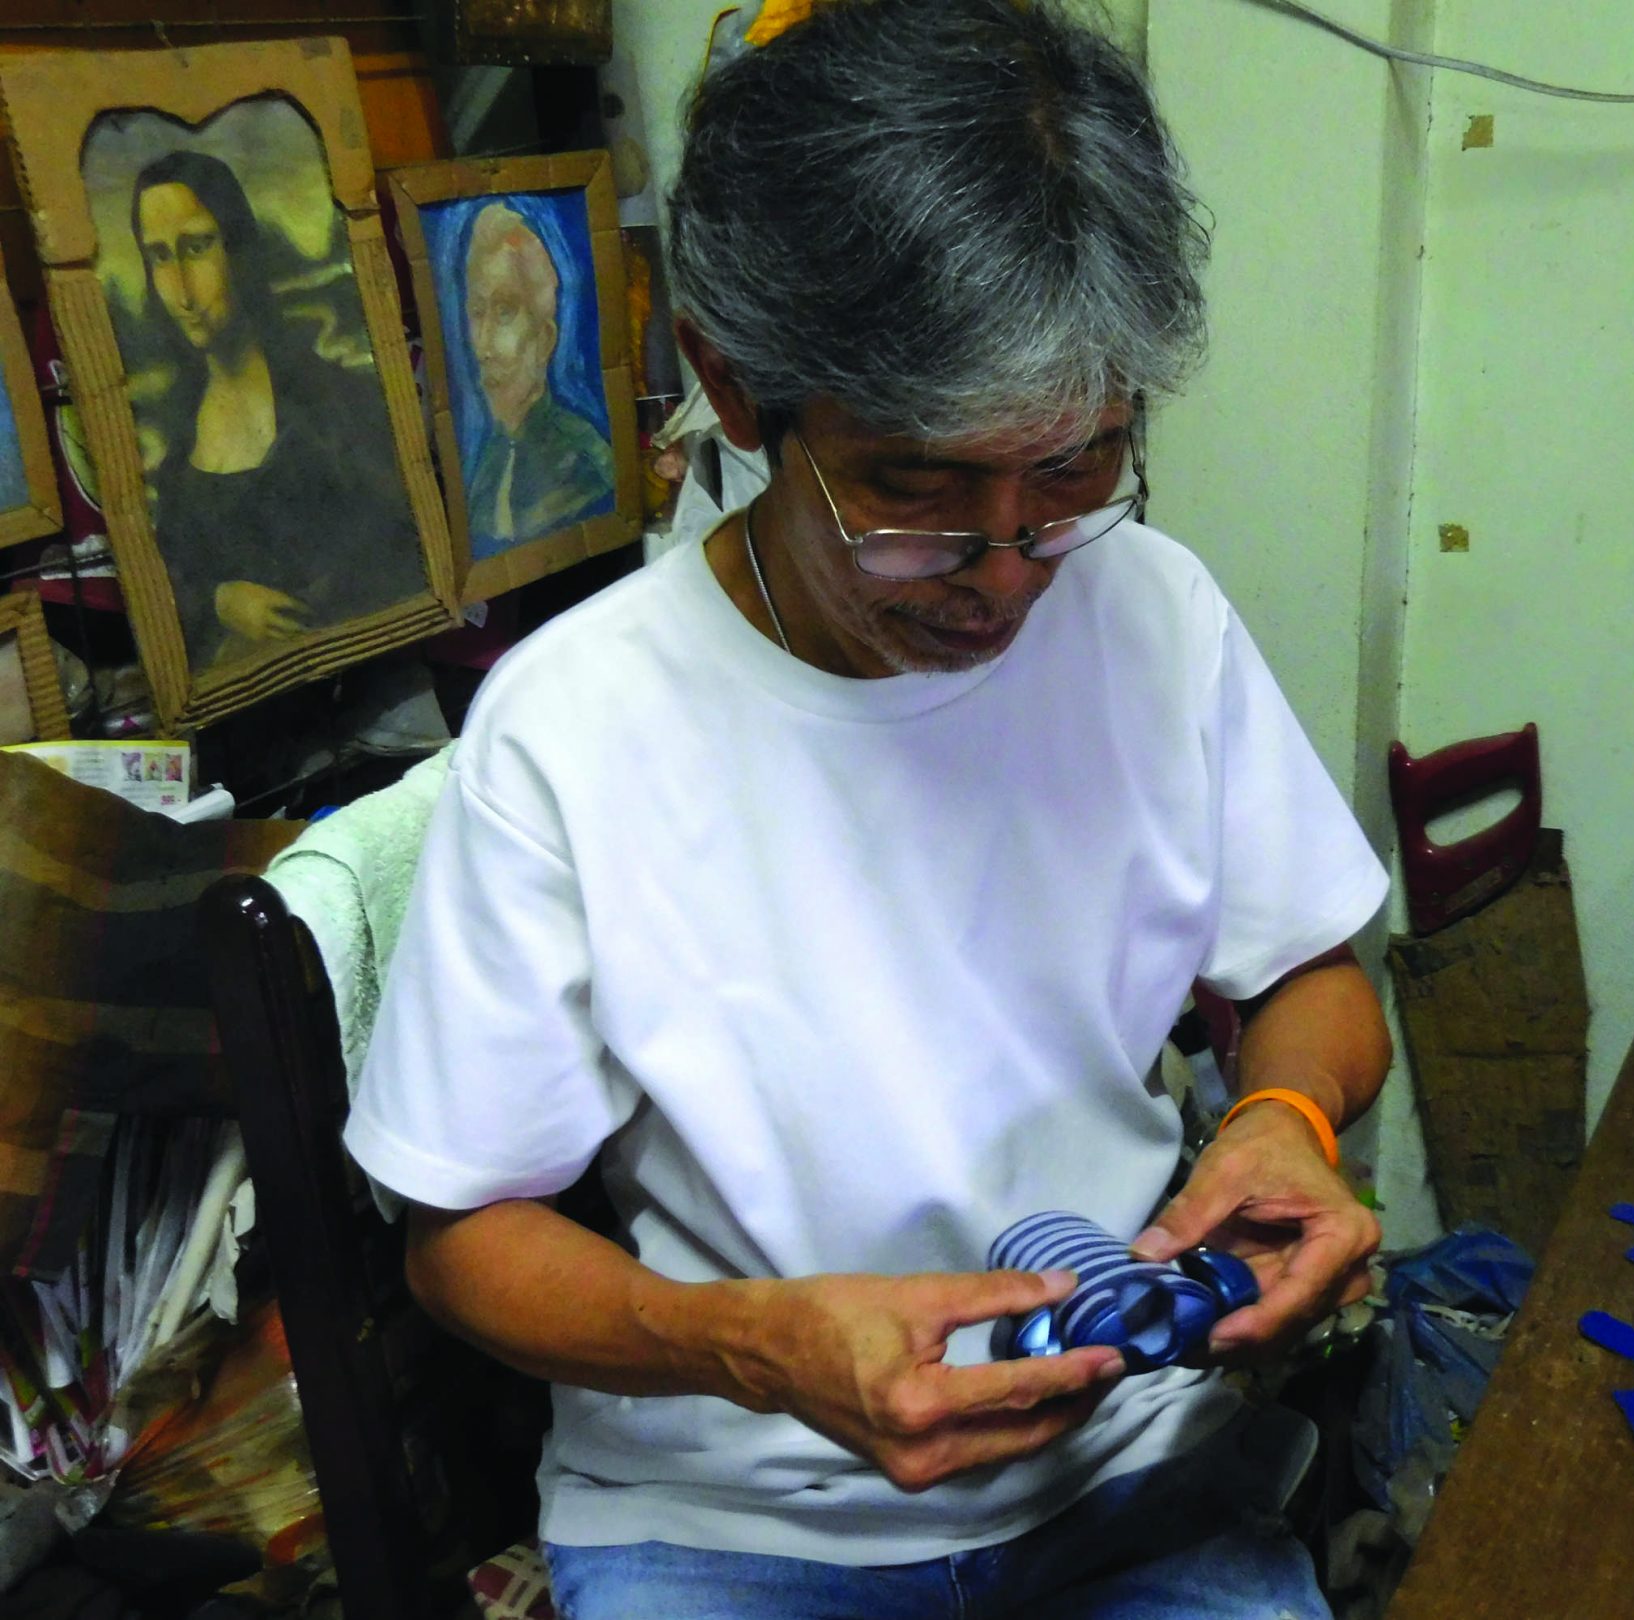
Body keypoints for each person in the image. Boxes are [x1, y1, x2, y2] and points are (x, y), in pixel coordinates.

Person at [346, 3, 1392, 1616]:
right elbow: (463, 1236)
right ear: (734, 383)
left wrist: (1285, 1121)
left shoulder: (1152, 611)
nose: (1003, 574)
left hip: (1127, 1460)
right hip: (738, 1519)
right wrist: (752, 1347)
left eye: (1074, 472)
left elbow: (1308, 973)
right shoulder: (575, 729)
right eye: (915, 489)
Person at [127, 150, 424, 670]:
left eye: (196, 247)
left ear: (239, 249)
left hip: (369, 673)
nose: (183, 292)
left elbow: (397, 550)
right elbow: (172, 582)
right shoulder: (175, 449)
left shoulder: (336, 403)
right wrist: (221, 602)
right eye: (159, 257)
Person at [459, 200, 616, 556]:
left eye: (504, 312)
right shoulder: (484, 472)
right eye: (477, 312)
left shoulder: (587, 465)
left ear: (545, 339)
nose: (483, 346)